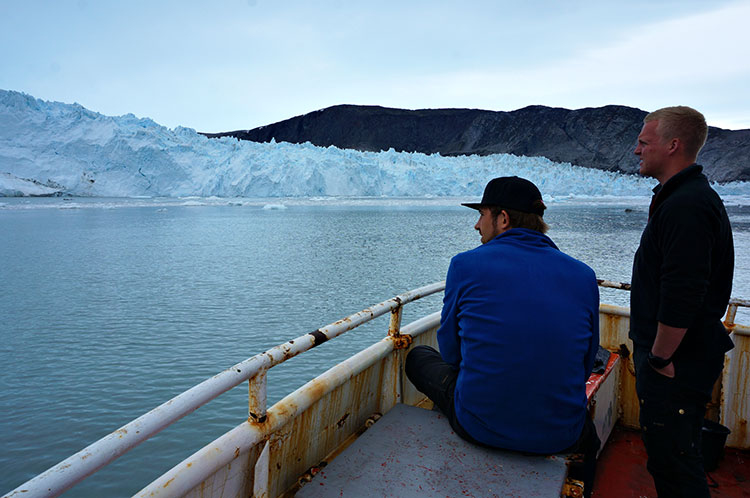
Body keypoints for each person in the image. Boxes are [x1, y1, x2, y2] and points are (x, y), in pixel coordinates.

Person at [405, 176, 600, 496]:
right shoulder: (583, 274)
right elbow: (583, 364)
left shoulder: (465, 264)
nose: (477, 226)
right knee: (589, 441)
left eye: (481, 215)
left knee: (419, 357)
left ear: (503, 218)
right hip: (560, 433)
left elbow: (452, 356)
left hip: (480, 426)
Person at [630, 106, 734, 497]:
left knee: (674, 462)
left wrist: (659, 357)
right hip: (685, 357)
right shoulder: (685, 197)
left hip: (676, 362)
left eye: (644, 142)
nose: (637, 150)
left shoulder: (686, 205)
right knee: (673, 454)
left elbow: (683, 289)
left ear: (673, 145)